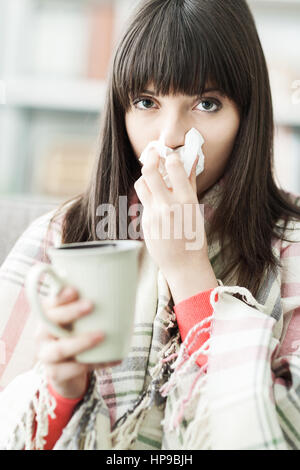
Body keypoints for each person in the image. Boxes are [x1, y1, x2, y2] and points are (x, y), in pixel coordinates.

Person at [0, 0, 300, 450]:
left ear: (247, 116)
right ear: (120, 112)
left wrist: (190, 277)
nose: (170, 137)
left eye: (206, 103)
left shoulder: (291, 247)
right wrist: (62, 395)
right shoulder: (61, 236)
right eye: (146, 101)